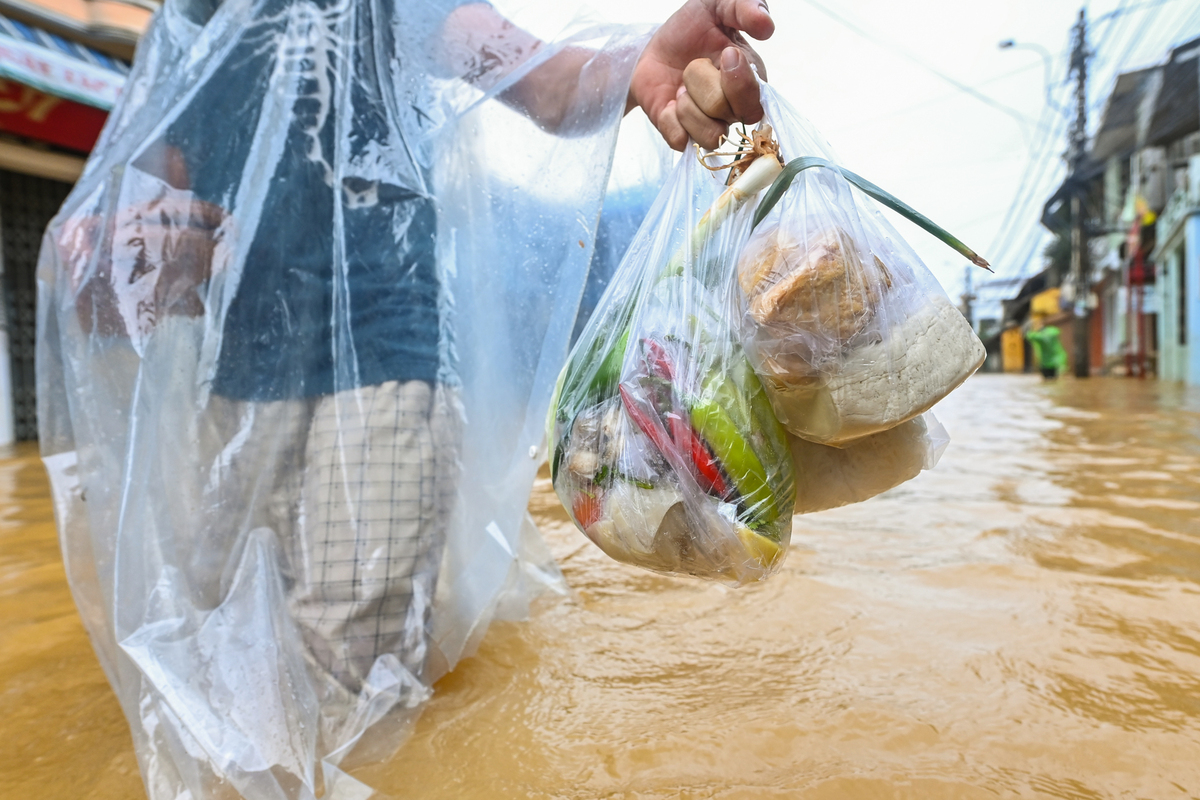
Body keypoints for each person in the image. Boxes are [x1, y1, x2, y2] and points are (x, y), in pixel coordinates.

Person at [42, 0, 776, 794]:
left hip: (382, 370)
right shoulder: (185, 23)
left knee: (351, 687)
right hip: (233, 394)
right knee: (230, 669)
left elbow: (545, 84)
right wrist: (112, 250)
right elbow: (142, 214)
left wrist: (637, 66)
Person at [1026, 315, 1068, 380]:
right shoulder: (1052, 331)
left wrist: (1030, 329)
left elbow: (1029, 336)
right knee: (1054, 380)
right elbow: (1058, 331)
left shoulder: (1039, 335)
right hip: (1054, 361)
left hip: (1047, 362)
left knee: (1048, 380)